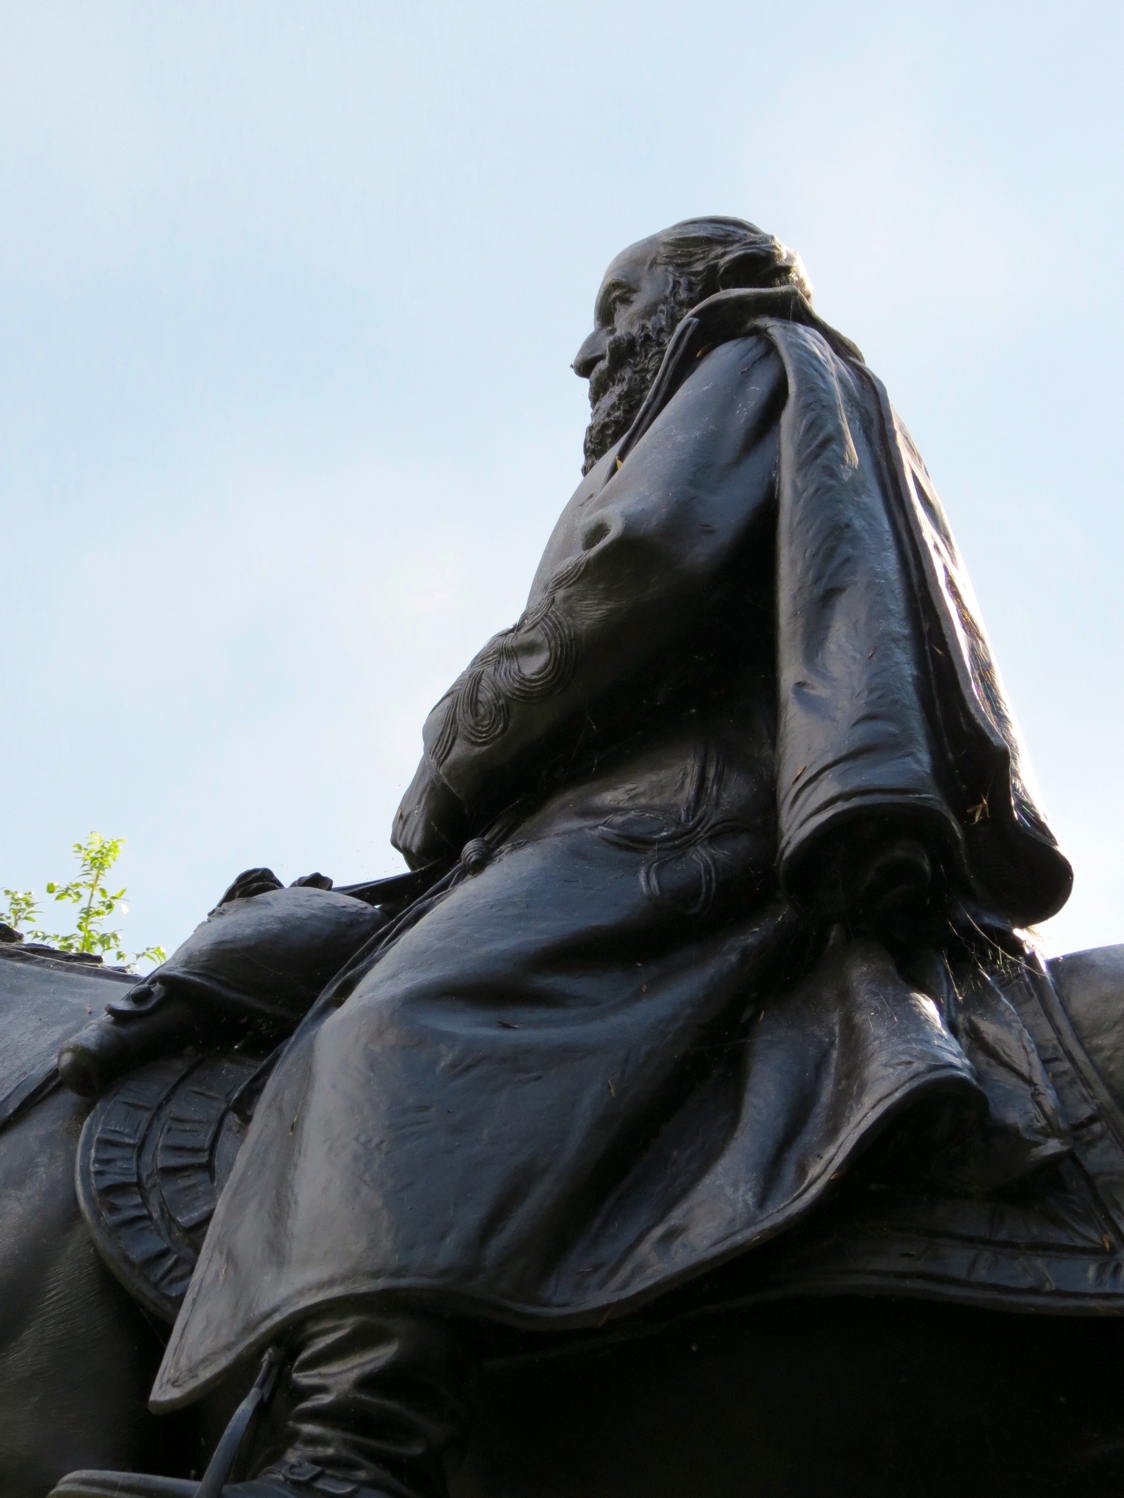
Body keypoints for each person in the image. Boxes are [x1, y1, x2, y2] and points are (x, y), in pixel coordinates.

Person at [59, 218, 1072, 1498]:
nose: (589, 348)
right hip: (606, 807)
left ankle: (355, 1449)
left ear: (700, 291)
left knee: (408, 1024)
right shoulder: (715, 390)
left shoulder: (740, 355)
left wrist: (461, 738)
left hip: (689, 810)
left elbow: (638, 565)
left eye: (617, 303)